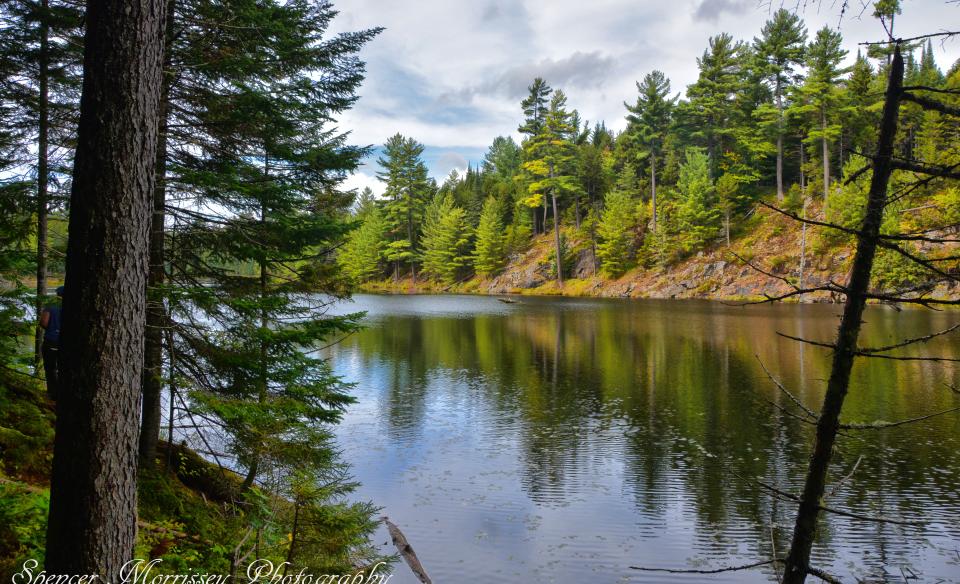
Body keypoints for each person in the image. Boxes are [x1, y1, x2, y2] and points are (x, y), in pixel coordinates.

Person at [39, 286, 64, 400]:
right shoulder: (74, 306)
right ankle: (63, 393)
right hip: (66, 343)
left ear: (57, 294)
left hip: (51, 341)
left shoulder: (51, 306)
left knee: (50, 368)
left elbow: (44, 322)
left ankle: (52, 394)